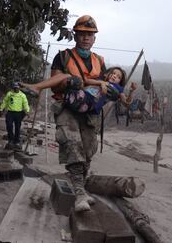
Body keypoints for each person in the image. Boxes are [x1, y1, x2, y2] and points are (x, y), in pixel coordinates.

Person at [43, 15, 111, 212]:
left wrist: (113, 91)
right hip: (66, 106)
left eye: (90, 35)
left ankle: (82, 186)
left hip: (89, 111)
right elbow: (54, 82)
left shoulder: (99, 61)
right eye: (82, 34)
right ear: (76, 35)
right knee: (73, 144)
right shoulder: (63, 56)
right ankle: (79, 193)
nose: (86, 38)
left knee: (89, 148)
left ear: (94, 39)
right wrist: (67, 82)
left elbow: (104, 86)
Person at [20, 66, 137, 114]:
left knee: (77, 93)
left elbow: (126, 103)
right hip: (81, 94)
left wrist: (131, 91)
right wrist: (101, 83)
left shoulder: (118, 90)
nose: (115, 76)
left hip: (88, 103)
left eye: (118, 77)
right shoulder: (101, 81)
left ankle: (39, 88)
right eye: (113, 73)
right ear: (107, 74)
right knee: (67, 77)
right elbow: (86, 80)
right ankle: (37, 88)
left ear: (120, 81)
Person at [0, 82, 30, 150]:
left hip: (19, 113)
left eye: (17, 88)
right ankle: (10, 140)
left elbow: (25, 103)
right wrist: (1, 109)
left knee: (17, 127)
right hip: (10, 113)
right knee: (9, 126)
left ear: (19, 88)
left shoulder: (22, 95)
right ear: (13, 88)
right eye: (14, 88)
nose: (16, 89)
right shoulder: (9, 94)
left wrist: (27, 111)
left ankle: (16, 141)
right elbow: (5, 101)